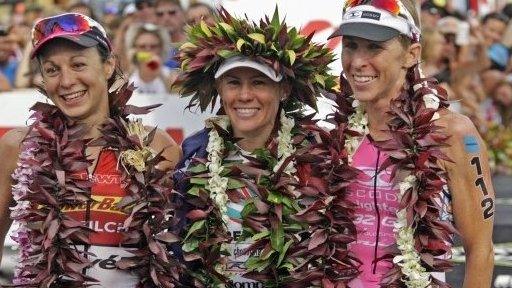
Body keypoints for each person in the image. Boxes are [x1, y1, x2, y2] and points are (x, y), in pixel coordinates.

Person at [174, 8, 359, 287]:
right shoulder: (195, 153)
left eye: (258, 82)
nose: (245, 95)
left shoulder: (318, 154)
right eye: (233, 83)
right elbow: (180, 248)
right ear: (219, 89)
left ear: (283, 90)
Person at [0, 13, 182, 287]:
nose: (66, 81)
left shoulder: (155, 147)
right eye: (52, 69)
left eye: (78, 64)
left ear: (108, 66)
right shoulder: (19, 147)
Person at [329, 0, 495, 287]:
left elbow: (480, 250)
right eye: (351, 45)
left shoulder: (453, 133)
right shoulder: (336, 131)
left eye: (374, 47)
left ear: (411, 54)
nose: (357, 61)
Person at [125, 22, 174, 94]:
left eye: (153, 46)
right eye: (142, 46)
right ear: (134, 48)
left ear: (161, 48)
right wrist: (131, 66)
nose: (148, 50)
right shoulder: (129, 76)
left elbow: (176, 97)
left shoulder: (170, 75)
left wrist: (159, 72)